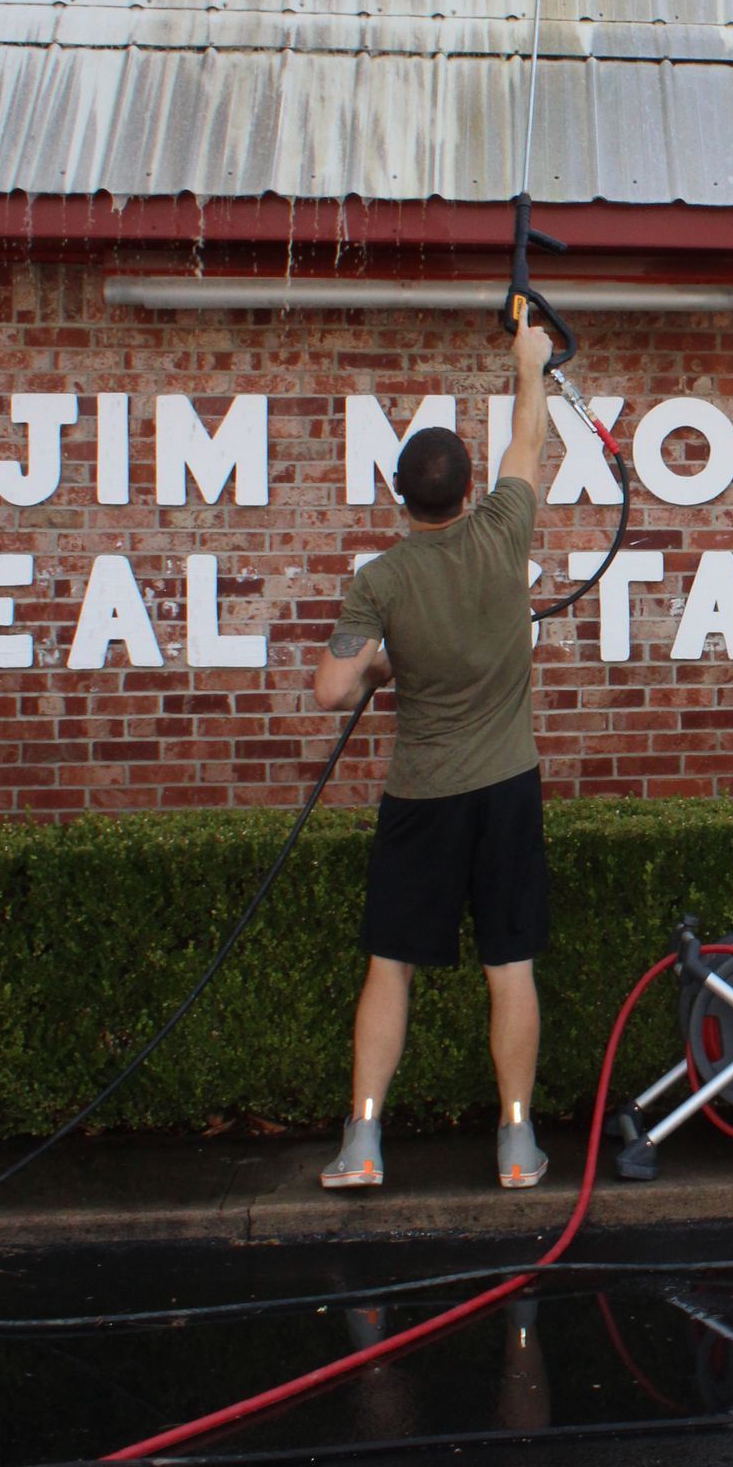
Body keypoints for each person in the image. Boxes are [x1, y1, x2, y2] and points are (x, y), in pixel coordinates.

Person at [312, 315, 555, 1193]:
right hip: (507, 790)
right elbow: (527, 441)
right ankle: (518, 1146)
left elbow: (332, 690)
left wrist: (383, 664)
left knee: (392, 964)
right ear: (465, 491)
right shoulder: (504, 530)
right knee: (510, 964)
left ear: (400, 494)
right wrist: (529, 363)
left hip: (421, 797)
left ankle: (364, 1144)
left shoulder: (380, 579)